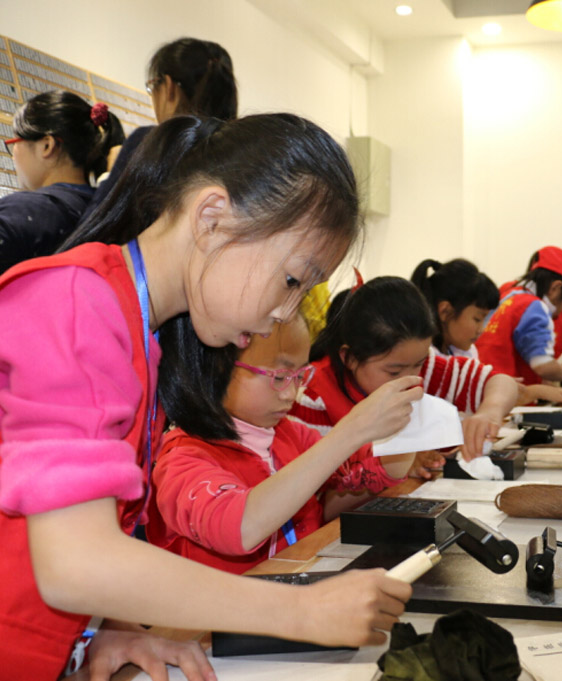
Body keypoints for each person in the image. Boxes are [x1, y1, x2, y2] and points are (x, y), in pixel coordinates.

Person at [0, 114, 415, 681]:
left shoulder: (138, 329)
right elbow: (74, 562)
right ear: (212, 217)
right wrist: (300, 610)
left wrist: (110, 625)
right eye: (292, 281)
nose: (283, 314)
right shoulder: (77, 303)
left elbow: (61, 528)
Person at [149, 316, 415, 574]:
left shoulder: (289, 434)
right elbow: (240, 528)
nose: (291, 393)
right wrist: (350, 431)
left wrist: (410, 431)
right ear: (217, 368)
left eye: (299, 376)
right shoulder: (181, 459)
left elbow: (372, 469)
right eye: (279, 377)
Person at [289, 276, 520, 490]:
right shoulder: (313, 398)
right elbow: (316, 493)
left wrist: (490, 412)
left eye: (419, 363)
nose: (409, 379)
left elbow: (500, 382)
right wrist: (396, 464)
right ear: (349, 358)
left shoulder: (420, 366)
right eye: (393, 372)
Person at [80, 37, 237, 223]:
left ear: (169, 87)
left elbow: (96, 222)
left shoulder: (151, 144)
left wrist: (109, 175)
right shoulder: (239, 153)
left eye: (153, 85)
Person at [0, 90, 123, 273]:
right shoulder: (110, 211)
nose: (13, 156)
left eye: (14, 143)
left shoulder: (20, 212)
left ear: (47, 145)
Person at [477, 245, 562, 387]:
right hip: (506, 392)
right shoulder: (535, 306)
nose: (558, 315)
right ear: (555, 288)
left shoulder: (508, 295)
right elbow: (542, 365)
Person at [411, 257, 499, 358]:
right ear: (445, 311)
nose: (481, 330)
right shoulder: (421, 358)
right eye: (477, 319)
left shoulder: (465, 352)